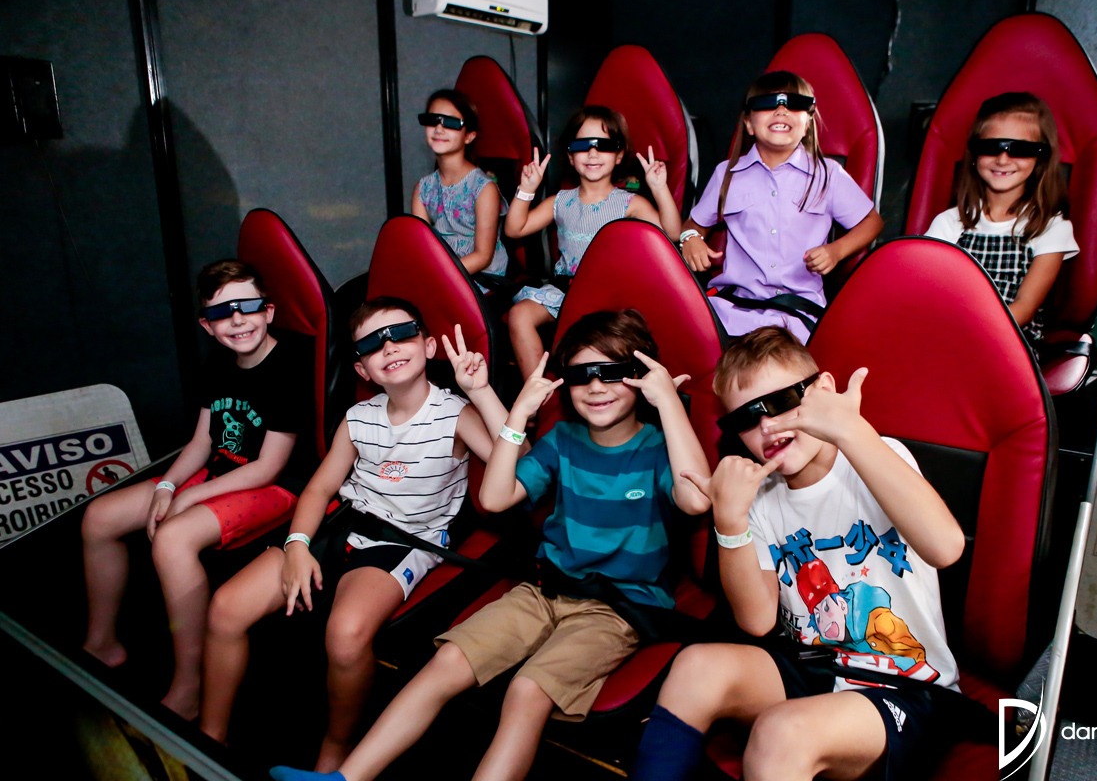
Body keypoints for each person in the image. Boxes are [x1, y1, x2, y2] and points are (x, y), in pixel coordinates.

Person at [269, 309, 711, 781]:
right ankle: (344, 778)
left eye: (613, 372)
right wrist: (518, 412)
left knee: (526, 691)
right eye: (582, 375)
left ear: (641, 378)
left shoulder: (659, 446)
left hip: (617, 607)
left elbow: (697, 500)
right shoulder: (562, 439)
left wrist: (668, 405)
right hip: (544, 590)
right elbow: (496, 497)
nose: (596, 386)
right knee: (445, 663)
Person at [630, 326, 965, 781]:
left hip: (903, 684)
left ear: (822, 390)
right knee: (696, 666)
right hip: (812, 668)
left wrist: (850, 428)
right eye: (746, 419)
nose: (767, 426)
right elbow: (756, 619)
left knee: (780, 731)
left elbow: (945, 547)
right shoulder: (761, 498)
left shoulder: (876, 455)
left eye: (781, 402)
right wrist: (729, 520)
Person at [201, 298, 508, 771]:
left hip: (405, 541)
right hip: (343, 524)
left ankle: (336, 751)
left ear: (428, 346)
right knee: (226, 606)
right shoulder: (359, 416)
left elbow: (520, 468)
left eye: (401, 334)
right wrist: (297, 547)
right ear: (362, 368)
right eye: (372, 344)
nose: (389, 347)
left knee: (345, 634)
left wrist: (483, 392)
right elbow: (320, 487)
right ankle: (208, 738)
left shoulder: (456, 414)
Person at [80, 259, 314, 719]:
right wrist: (168, 485)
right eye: (223, 313)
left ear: (268, 311)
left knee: (172, 538)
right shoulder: (220, 363)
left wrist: (188, 497)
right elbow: (203, 441)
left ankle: (190, 684)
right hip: (220, 474)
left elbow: (268, 467)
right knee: (99, 517)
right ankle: (101, 644)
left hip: (277, 486)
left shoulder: (289, 366)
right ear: (208, 326)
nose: (238, 320)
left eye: (247, 307)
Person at [679, 71, 883, 343]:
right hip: (733, 310)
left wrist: (837, 251)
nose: (781, 110)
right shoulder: (726, 174)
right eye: (768, 103)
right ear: (749, 124)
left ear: (808, 123)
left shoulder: (828, 174)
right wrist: (690, 238)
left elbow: (871, 222)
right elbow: (692, 225)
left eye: (794, 104)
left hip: (797, 314)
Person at [505, 106, 682, 379]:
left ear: (619, 154)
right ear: (570, 155)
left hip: (611, 295)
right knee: (519, 316)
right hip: (566, 291)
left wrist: (659, 189)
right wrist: (526, 190)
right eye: (582, 145)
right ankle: (538, 394)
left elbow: (672, 233)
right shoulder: (560, 201)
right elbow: (515, 228)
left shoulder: (630, 203)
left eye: (604, 145)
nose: (592, 153)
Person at [924, 92, 1078, 342]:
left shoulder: (1051, 227)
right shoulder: (949, 223)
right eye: (990, 147)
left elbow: (1025, 307)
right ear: (975, 153)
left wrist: (968, 334)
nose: (1003, 159)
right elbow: (926, 288)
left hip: (1010, 341)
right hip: (948, 333)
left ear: (1040, 157)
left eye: (1020, 149)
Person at [411, 89, 509, 287]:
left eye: (451, 122)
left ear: (469, 136)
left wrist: (437, 276)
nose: (439, 128)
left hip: (482, 277)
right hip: (440, 271)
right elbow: (422, 247)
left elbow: (483, 256)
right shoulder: (423, 188)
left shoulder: (484, 188)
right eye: (432, 120)